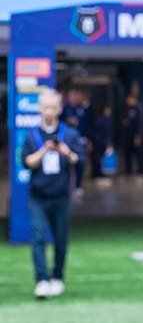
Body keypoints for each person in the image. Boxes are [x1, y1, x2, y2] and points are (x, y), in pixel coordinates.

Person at [21, 88, 85, 299]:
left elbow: (79, 160)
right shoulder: (32, 135)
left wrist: (66, 152)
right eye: (45, 107)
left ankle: (57, 276)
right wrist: (44, 150)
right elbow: (27, 162)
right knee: (38, 236)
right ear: (40, 109)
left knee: (61, 239)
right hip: (38, 195)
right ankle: (41, 279)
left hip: (60, 195)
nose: (49, 111)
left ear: (59, 109)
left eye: (53, 107)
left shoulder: (70, 133)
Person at [62, 88, 91, 198]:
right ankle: (66, 185)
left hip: (80, 140)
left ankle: (78, 186)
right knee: (66, 164)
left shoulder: (82, 109)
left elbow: (87, 125)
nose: (74, 98)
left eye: (76, 96)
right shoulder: (64, 109)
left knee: (79, 162)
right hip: (66, 141)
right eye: (72, 96)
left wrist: (88, 139)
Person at [120, 92, 143, 175]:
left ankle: (140, 171)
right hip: (127, 135)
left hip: (135, 135)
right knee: (127, 154)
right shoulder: (126, 109)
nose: (128, 101)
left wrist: (138, 136)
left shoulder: (139, 109)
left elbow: (140, 123)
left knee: (138, 154)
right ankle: (128, 171)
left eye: (130, 99)